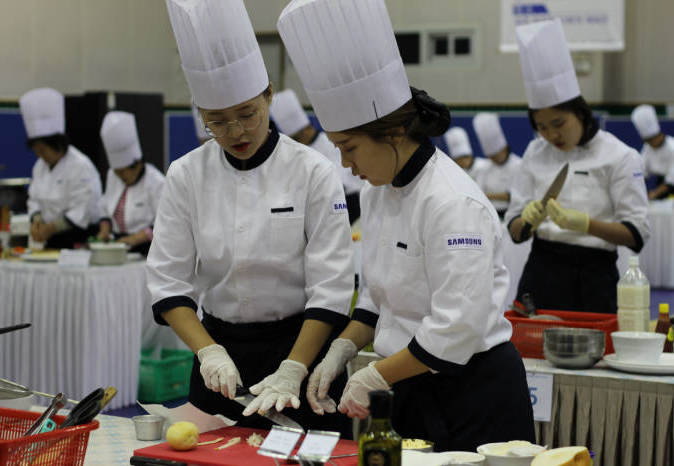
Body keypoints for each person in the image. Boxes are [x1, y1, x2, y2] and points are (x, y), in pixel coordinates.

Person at [278, 0, 535, 452]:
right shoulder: (379, 192)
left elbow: (455, 329)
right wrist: (341, 350)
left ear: (395, 133)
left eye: (350, 147)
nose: (345, 163)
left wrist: (375, 373)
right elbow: (379, 302)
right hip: (408, 384)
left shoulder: (453, 203)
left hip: (472, 393)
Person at [147, 0, 355, 436]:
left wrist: (294, 368)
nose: (236, 132)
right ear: (200, 115)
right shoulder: (186, 175)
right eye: (217, 123)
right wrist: (208, 353)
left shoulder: (313, 170)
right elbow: (168, 283)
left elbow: (332, 286)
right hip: (218, 358)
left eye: (247, 114)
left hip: (300, 350)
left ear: (269, 95)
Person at [505, 19, 650, 314]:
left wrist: (585, 225)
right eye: (542, 127)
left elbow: (636, 234)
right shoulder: (536, 151)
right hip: (541, 271)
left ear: (581, 113)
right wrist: (528, 220)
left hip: (593, 277)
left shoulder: (619, 155)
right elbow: (515, 231)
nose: (551, 136)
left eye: (559, 124)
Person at [20, 87, 102, 249]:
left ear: (57, 144)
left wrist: (52, 227)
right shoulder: (40, 167)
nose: (40, 156)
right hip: (51, 240)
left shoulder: (80, 165)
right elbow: (34, 200)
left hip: (78, 239)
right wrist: (36, 221)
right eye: (36, 151)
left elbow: (82, 209)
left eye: (43, 150)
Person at [270, 89, 363, 223]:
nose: (295, 142)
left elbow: (343, 183)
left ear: (306, 129)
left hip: (346, 205)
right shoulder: (291, 152)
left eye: (296, 137)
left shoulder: (332, 143)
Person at [96, 111, 165, 256]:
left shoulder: (156, 182)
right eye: (117, 172)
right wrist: (105, 229)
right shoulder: (112, 175)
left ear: (138, 165)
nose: (119, 177)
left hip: (147, 250)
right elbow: (105, 207)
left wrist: (135, 238)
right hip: (118, 246)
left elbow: (165, 223)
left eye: (123, 172)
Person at [472, 112, 522, 219]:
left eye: (495, 155)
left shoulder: (518, 165)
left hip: (512, 215)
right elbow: (478, 192)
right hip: (489, 215)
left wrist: (489, 195)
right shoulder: (485, 167)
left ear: (504, 148)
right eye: (490, 156)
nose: (493, 159)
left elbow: (513, 196)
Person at [631, 104, 674, 199]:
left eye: (651, 140)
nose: (649, 144)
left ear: (658, 135)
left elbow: (670, 182)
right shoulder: (647, 148)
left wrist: (653, 195)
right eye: (647, 141)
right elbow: (641, 173)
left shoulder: (672, 147)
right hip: (660, 185)